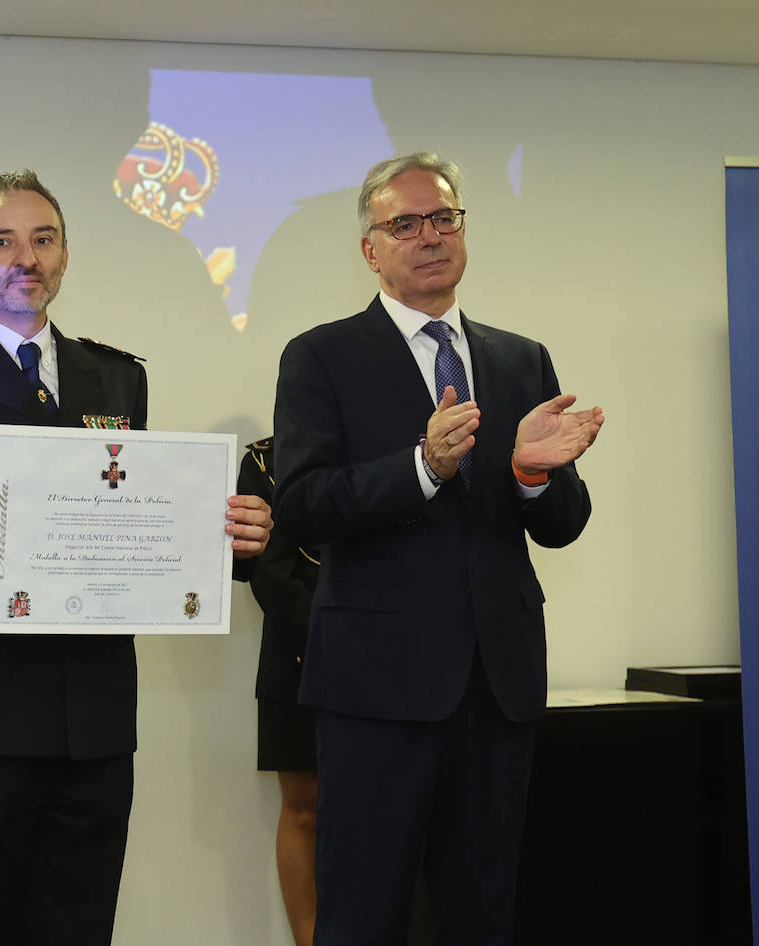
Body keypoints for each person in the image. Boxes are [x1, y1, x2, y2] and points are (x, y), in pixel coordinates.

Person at [0, 169, 273, 946]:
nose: (25, 258)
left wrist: (226, 541)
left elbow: (138, 524)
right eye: (2, 242)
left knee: (82, 925)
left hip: (94, 712)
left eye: (44, 240)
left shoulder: (117, 376)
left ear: (66, 254)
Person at [272, 152, 604, 945]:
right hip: (378, 689)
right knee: (363, 911)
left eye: (444, 219)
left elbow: (562, 521)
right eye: (405, 224)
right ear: (371, 249)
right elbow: (305, 506)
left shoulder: (519, 359)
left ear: (463, 231)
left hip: (497, 686)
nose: (429, 236)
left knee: (481, 909)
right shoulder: (321, 356)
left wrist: (529, 473)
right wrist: (423, 466)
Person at [238, 437, 320, 946]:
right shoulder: (266, 461)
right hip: (300, 649)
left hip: (394, 654)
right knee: (306, 807)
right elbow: (268, 573)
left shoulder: (401, 447)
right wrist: (342, 640)